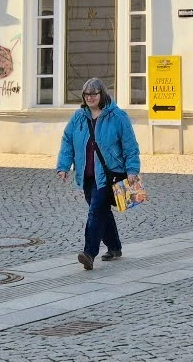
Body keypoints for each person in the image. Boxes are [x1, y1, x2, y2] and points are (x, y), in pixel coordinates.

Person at [55, 76, 141, 271]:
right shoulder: (79, 117)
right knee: (102, 212)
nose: (90, 97)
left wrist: (132, 170)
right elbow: (67, 141)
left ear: (102, 94)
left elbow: (130, 146)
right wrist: (63, 166)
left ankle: (89, 253)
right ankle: (115, 247)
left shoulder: (118, 117)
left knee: (96, 211)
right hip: (86, 175)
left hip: (110, 175)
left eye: (94, 93)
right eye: (86, 94)